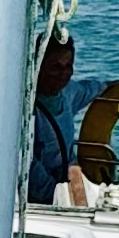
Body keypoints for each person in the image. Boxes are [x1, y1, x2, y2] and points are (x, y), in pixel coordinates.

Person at [28, 33, 92, 208]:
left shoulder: (69, 92)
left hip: (65, 180)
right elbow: (27, 164)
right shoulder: (24, 106)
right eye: (55, 66)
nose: (63, 74)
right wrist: (57, 194)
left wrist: (118, 88)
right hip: (38, 197)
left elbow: (92, 89)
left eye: (68, 66)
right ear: (39, 66)